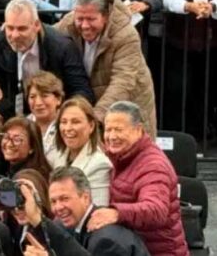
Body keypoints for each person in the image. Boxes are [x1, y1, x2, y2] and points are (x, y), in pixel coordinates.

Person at [87, 101, 189, 256]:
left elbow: (156, 210)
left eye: (119, 130)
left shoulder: (153, 165)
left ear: (138, 130)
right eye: (108, 130)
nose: (112, 136)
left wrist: (116, 213)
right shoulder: (117, 156)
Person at [54, 0, 157, 138]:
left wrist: (94, 118)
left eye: (91, 19)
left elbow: (122, 82)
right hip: (92, 100)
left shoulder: (126, 34)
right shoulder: (70, 21)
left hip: (129, 101)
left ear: (105, 16)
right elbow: (48, 36)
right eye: (80, 19)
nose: (84, 25)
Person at [0, 0, 94, 120]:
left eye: (22, 29)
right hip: (12, 117)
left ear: (36, 25)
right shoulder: (0, 39)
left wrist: (64, 116)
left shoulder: (62, 47)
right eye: (10, 28)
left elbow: (82, 91)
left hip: (55, 118)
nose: (14, 35)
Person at [161, 0, 217, 138]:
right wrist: (188, 6)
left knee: (205, 89)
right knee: (177, 87)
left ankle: (201, 132)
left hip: (209, 42)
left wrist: (211, 6)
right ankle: (178, 133)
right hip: (178, 40)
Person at [48, 166, 149, 255]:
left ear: (85, 198)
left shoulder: (106, 242)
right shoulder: (70, 226)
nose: (58, 207)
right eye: (53, 201)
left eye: (64, 199)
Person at [49, 97, 111, 206]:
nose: (68, 128)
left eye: (75, 122)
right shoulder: (56, 156)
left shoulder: (100, 164)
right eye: (63, 122)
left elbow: (98, 211)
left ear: (91, 126)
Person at [25, 71, 63, 162]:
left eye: (44, 96)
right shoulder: (22, 126)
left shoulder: (67, 125)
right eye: (32, 97)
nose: (38, 103)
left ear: (58, 99)